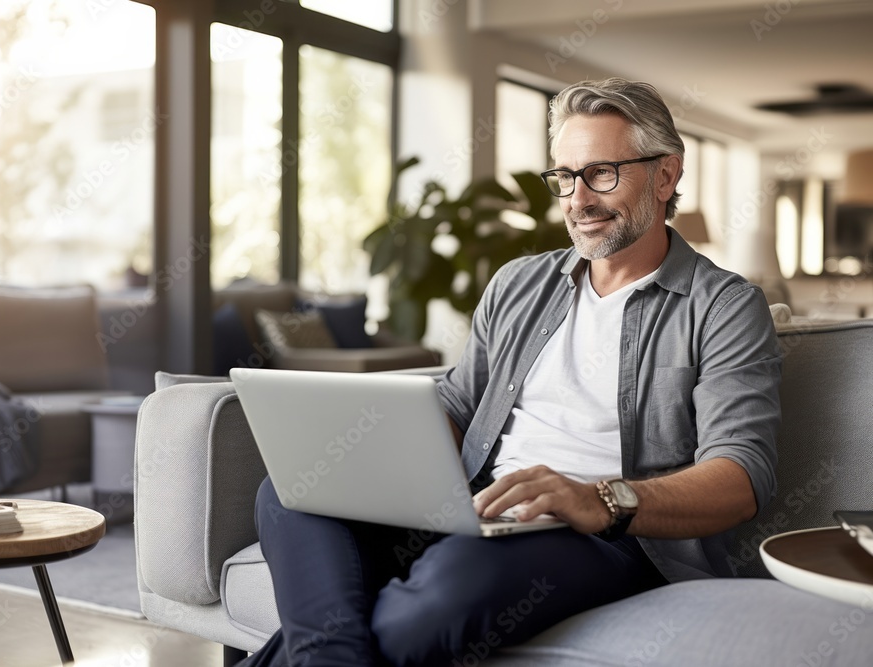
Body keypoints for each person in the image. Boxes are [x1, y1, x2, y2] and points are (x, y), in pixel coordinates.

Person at [241, 77, 782, 666]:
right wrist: (370, 460)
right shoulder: (518, 284)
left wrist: (600, 499)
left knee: (430, 603)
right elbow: (456, 405)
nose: (578, 199)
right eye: (565, 177)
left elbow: (741, 476)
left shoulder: (724, 306)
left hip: (607, 539)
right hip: (479, 506)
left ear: (666, 174)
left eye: (603, 173)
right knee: (291, 492)